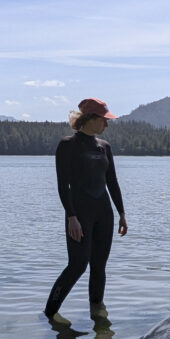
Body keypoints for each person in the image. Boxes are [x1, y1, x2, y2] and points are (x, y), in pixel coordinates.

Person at [44, 97, 128, 318]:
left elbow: (112, 182)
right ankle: (49, 314)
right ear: (90, 118)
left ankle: (98, 318)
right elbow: (63, 185)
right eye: (103, 119)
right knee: (78, 265)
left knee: (99, 267)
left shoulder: (104, 147)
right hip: (79, 215)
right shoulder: (67, 145)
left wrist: (121, 213)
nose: (106, 124)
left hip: (104, 214)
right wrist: (71, 217)